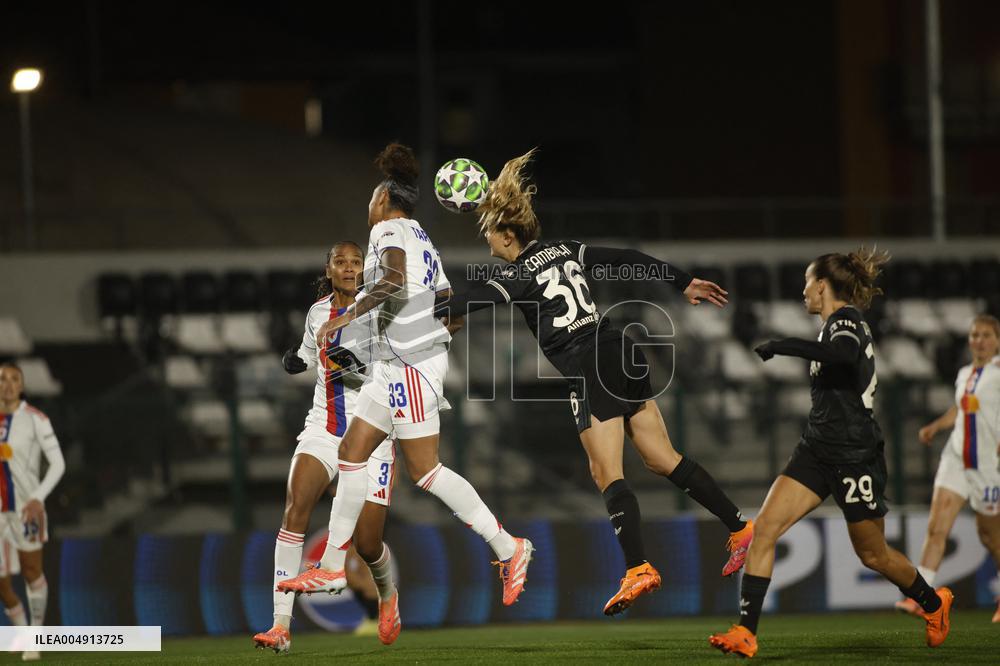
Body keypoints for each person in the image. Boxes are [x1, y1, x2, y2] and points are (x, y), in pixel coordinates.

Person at [434, 149, 753, 616]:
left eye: (489, 233)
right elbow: (625, 256)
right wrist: (681, 281)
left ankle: (638, 567)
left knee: (606, 472)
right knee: (662, 458)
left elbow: (476, 298)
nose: (487, 241)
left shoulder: (519, 274)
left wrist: (423, 308)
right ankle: (740, 528)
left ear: (508, 234)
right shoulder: (568, 250)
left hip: (589, 363)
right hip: (621, 347)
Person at [279, 143, 533, 608]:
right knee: (352, 454)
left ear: (383, 199)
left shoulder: (388, 229)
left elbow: (393, 279)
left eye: (372, 199)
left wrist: (348, 315)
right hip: (401, 362)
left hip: (411, 366)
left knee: (426, 471)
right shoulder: (422, 237)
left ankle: (508, 546)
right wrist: (434, 331)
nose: (369, 207)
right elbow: (451, 306)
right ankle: (332, 568)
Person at [709, 248, 952, 658]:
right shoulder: (832, 326)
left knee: (872, 554)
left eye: (807, 281)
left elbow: (841, 355)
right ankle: (745, 631)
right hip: (817, 448)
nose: (803, 290)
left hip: (855, 453)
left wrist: (783, 345)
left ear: (822, 285)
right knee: (764, 529)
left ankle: (934, 603)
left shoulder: (846, 321)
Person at [253, 241, 401, 653]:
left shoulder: (382, 310)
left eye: (357, 262)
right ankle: (281, 626)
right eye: (342, 262)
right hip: (324, 426)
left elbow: (386, 367)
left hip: (372, 435)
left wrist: (353, 363)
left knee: (368, 544)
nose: (350, 268)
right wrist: (295, 362)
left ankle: (387, 595)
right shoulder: (318, 312)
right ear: (330, 269)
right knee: (294, 507)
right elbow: (309, 354)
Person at [894, 314, 1000, 623]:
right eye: (974, 335)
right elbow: (961, 407)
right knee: (936, 525)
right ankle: (922, 597)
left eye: (985, 335)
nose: (978, 341)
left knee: (990, 536)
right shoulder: (965, 372)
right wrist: (936, 426)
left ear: (996, 341)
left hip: (987, 466)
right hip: (956, 457)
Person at [0, 361, 66, 662]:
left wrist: (38, 497)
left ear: (22, 386)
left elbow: (58, 464)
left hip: (26, 510)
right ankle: (21, 630)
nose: (8, 384)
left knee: (30, 571)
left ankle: (35, 637)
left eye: (15, 379)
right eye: (2, 379)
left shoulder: (36, 419)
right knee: (2, 582)